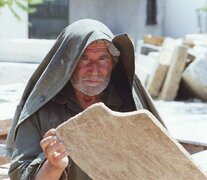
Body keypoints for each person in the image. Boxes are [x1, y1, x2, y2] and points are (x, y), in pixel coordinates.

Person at [6, 19, 165, 179]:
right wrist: (53, 166)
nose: (94, 70)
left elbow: (165, 166)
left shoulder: (129, 105)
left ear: (113, 63)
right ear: (66, 64)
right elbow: (20, 176)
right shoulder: (42, 110)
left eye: (103, 58)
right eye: (84, 58)